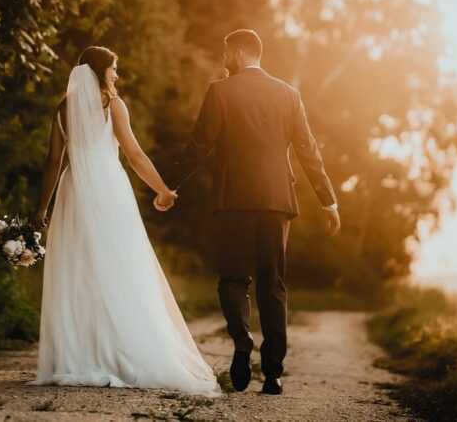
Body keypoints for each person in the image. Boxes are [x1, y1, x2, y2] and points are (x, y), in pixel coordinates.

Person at [29, 46, 220, 396]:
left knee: (80, 271)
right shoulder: (113, 105)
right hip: (108, 192)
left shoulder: (62, 109)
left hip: (73, 195)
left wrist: (41, 209)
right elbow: (133, 155)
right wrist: (163, 189)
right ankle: (117, 350)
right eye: (114, 68)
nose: (117, 74)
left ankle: (79, 354)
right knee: (120, 266)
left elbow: (53, 163)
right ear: (99, 71)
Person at [164, 29, 341, 396]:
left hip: (234, 200)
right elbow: (308, 150)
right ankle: (273, 373)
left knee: (232, 280)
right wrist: (328, 199)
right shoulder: (289, 95)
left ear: (241, 52)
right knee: (273, 286)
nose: (223, 58)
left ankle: (242, 339)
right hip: (277, 203)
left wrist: (171, 186)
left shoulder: (220, 91)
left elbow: (199, 144)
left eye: (226, 51)